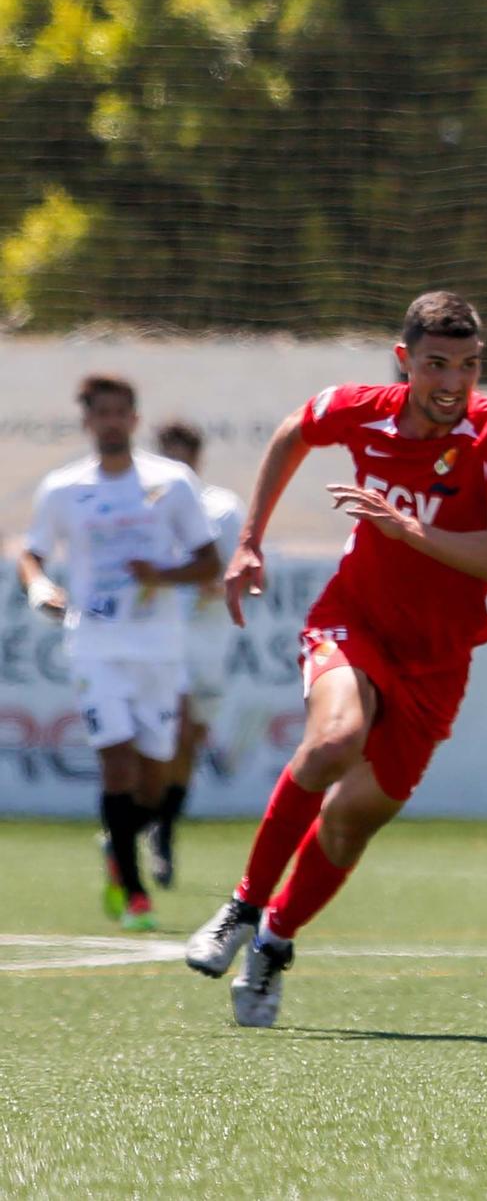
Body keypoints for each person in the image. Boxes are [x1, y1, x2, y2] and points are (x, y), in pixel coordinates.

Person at [183, 291, 487, 1027]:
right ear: (404, 360)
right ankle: (244, 905)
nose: (452, 383)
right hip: (354, 621)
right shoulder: (362, 408)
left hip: (439, 659)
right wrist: (250, 538)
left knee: (351, 821)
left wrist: (408, 530)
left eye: (468, 366)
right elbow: (294, 430)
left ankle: (275, 940)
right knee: (334, 738)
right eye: (437, 364)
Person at [16, 375, 221, 931]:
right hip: (95, 645)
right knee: (117, 764)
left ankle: (119, 841)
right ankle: (132, 892)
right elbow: (31, 553)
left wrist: (164, 573)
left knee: (154, 780)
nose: (111, 421)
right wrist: (40, 588)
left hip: (159, 648)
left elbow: (209, 564)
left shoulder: (171, 483)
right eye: (101, 412)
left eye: (120, 412)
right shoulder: (64, 488)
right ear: (87, 421)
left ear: (134, 419)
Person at [149, 420, 248, 888]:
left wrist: (216, 583)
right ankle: (138, 825)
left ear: (197, 460)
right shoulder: (143, 506)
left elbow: (238, 569)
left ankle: (162, 831)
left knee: (188, 741)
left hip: (209, 638)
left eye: (182, 458)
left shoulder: (222, 508)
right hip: (159, 637)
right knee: (174, 724)